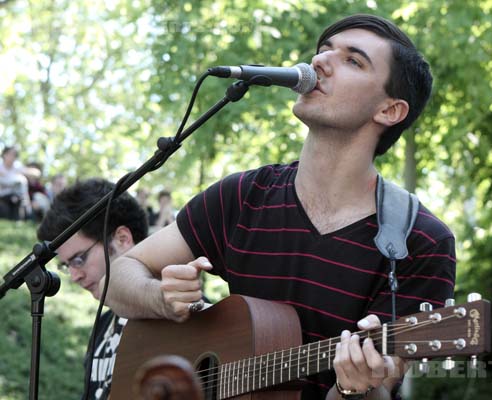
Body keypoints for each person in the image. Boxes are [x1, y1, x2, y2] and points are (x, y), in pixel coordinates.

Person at [103, 14, 456, 400]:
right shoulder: (243, 195)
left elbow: (380, 387)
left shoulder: (419, 240)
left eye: (353, 60)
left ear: (389, 110)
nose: (320, 63)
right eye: (323, 52)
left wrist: (355, 387)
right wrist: (162, 299)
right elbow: (119, 276)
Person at [37, 178, 149, 400]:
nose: (75, 276)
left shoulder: (184, 307)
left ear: (122, 239)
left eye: (79, 259)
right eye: (66, 266)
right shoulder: (103, 325)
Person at [0, 146, 31, 220]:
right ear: (4, 154)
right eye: (10, 154)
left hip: (17, 197)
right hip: (3, 198)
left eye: (14, 154)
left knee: (18, 201)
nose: (12, 156)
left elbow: (35, 173)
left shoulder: (17, 166)